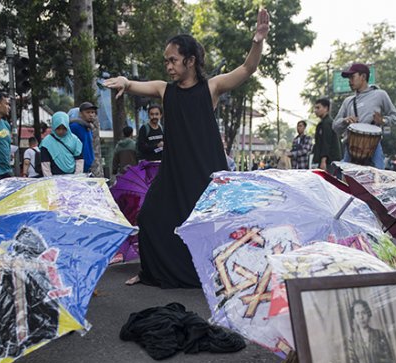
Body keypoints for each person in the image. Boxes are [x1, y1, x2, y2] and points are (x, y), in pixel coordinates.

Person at [103, 8, 270, 288]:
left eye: (173, 60)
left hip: (205, 171)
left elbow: (246, 69)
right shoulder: (164, 90)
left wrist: (257, 41)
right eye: (166, 61)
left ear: (190, 61)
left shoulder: (211, 88)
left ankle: (215, 273)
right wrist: (125, 82)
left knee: (208, 225)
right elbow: (135, 85)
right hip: (173, 172)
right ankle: (151, 273)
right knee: (151, 216)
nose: (168, 66)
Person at [333, 63, 396, 169]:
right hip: (351, 147)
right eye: (349, 78)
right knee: (344, 182)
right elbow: (335, 126)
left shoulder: (380, 94)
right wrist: (345, 121)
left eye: (352, 77)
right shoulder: (348, 101)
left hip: (374, 146)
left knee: (378, 179)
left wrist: (383, 120)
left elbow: (395, 116)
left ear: (363, 77)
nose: (349, 81)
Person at [38, 112, 84, 176]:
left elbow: (79, 160)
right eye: (58, 128)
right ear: (53, 126)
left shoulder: (75, 140)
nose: (61, 131)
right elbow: (45, 165)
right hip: (54, 179)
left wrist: (77, 177)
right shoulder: (46, 143)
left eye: (64, 128)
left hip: (72, 179)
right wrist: (49, 181)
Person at [312, 97, 342, 174]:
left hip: (329, 161)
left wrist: (323, 161)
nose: (316, 110)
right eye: (315, 108)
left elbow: (326, 142)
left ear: (326, 108)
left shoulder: (327, 123)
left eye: (318, 107)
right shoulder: (323, 123)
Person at [69, 101, 97, 173]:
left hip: (87, 166)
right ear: (80, 114)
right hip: (78, 167)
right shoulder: (75, 126)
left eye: (92, 112)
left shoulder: (88, 127)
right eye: (87, 112)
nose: (91, 115)